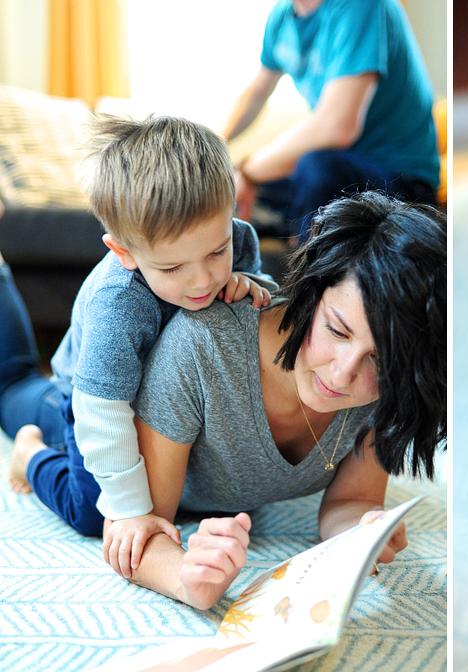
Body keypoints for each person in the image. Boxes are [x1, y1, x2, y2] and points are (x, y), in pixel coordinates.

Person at [70, 191, 443, 610]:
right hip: (87, 408)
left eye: (380, 359)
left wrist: (363, 532)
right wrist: (186, 579)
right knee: (50, 445)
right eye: (337, 332)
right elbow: (133, 531)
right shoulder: (203, 345)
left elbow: (350, 500)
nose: (343, 375)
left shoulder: (389, 388)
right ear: (311, 293)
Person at [0, 114, 272, 572]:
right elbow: (102, 414)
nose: (203, 279)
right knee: (96, 513)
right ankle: (30, 454)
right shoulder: (119, 303)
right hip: (89, 397)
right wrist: (131, 512)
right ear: (123, 252)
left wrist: (250, 280)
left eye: (215, 252)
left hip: (156, 398)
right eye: (172, 268)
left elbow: (258, 289)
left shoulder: (236, 237)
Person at [224, 0, 440, 242]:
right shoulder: (283, 16)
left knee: (315, 166)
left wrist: (248, 173)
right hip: (344, 172)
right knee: (221, 185)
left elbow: (337, 127)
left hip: (401, 182)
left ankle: (311, 273)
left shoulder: (362, 6)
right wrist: (215, 147)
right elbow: (258, 92)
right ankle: (293, 227)